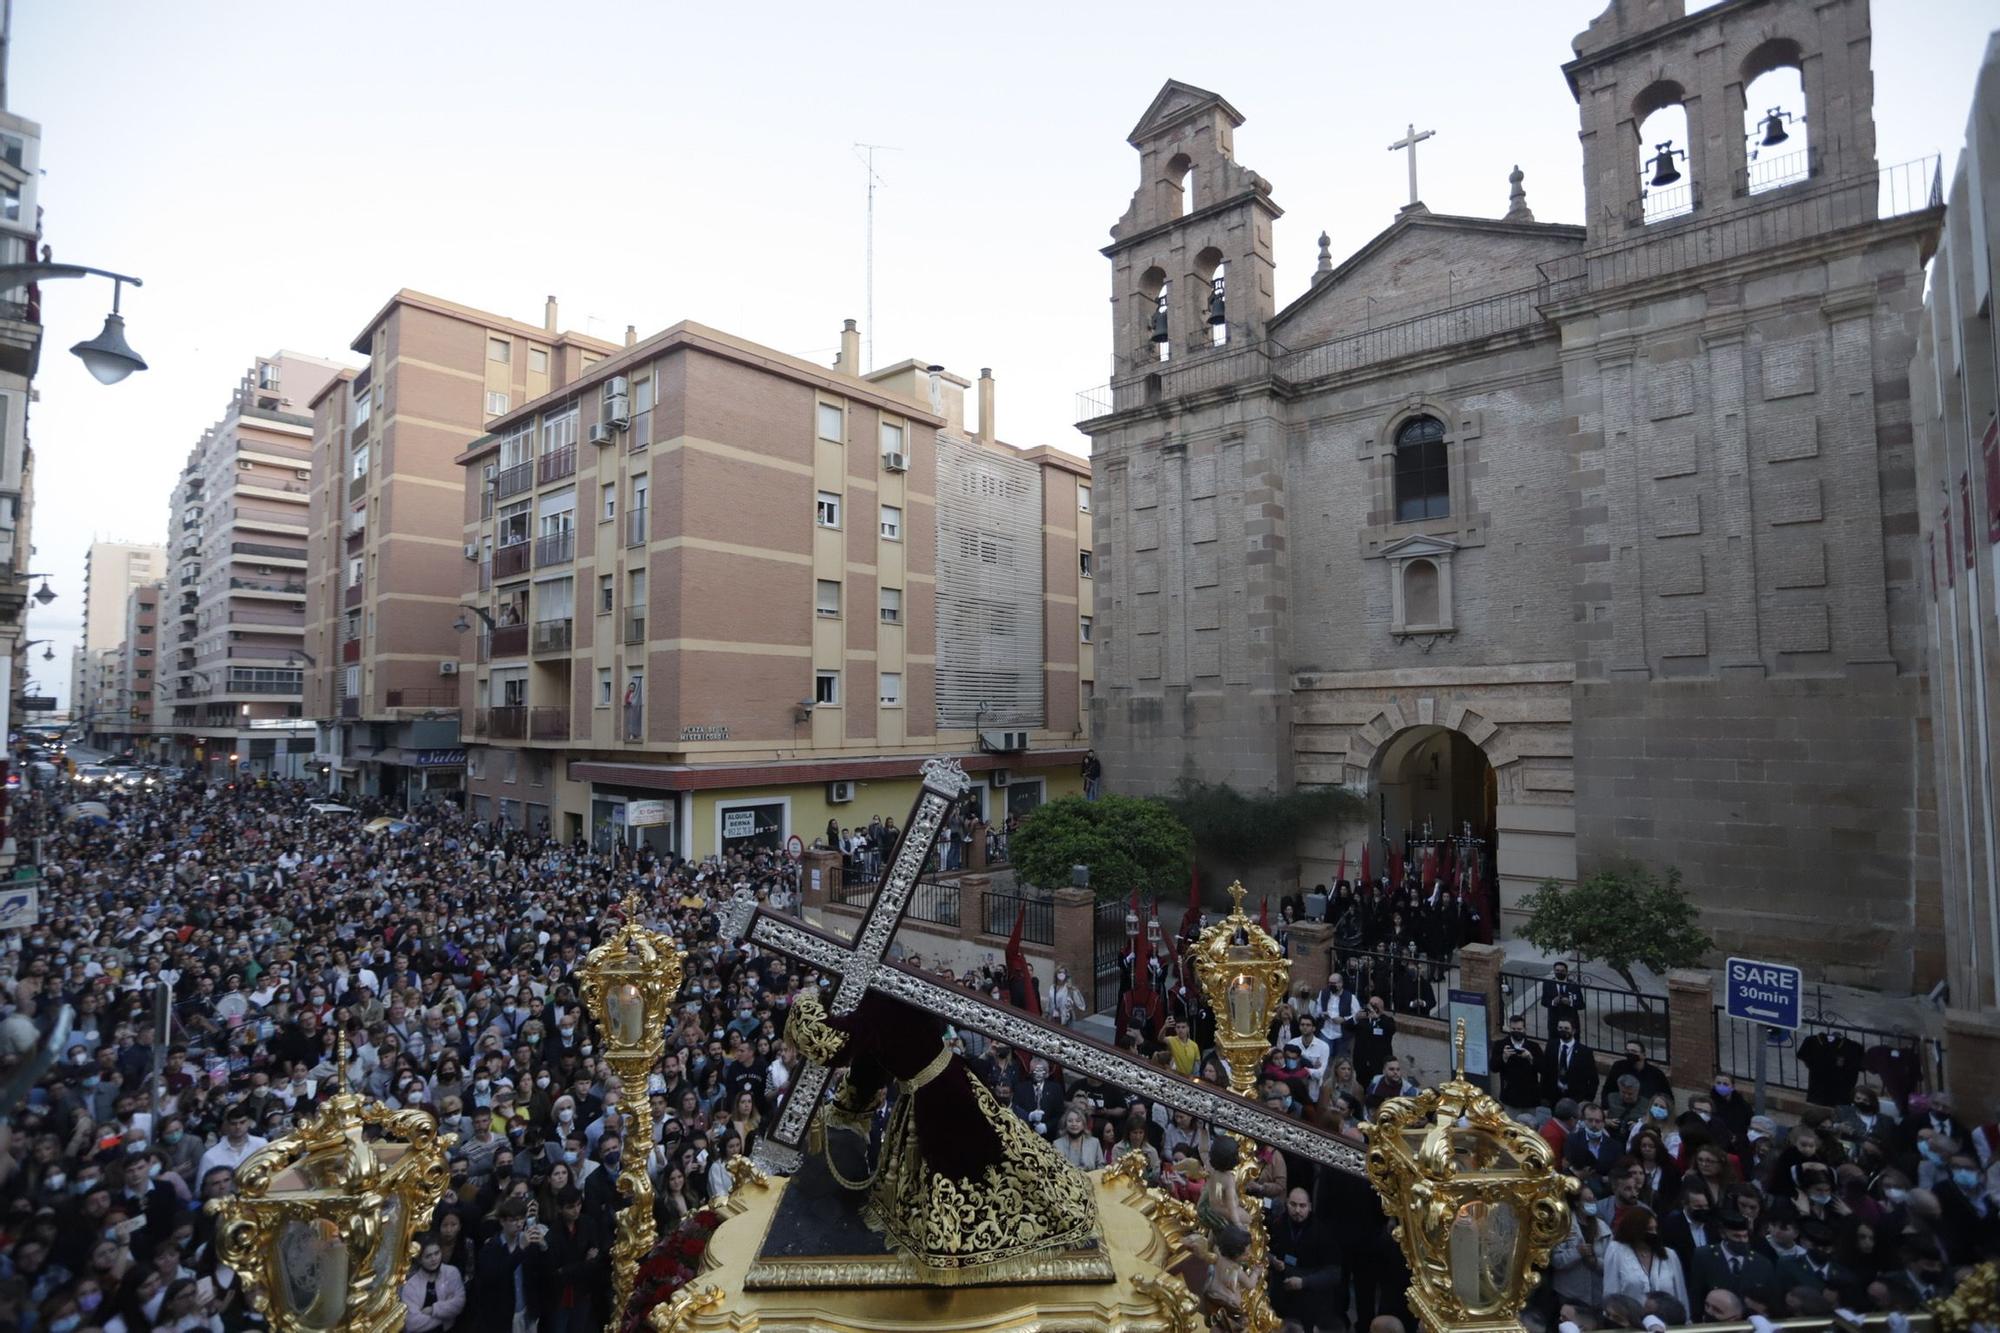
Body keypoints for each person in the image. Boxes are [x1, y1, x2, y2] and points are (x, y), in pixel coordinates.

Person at [1267, 1187, 1340, 1333]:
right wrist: (1272, 1260)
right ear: (1286, 1203)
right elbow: (1265, 1251)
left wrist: (1304, 1282)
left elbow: (1334, 1273)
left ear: (1310, 1207)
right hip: (1281, 1296)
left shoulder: (1322, 1232)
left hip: (1311, 1298)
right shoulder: (1278, 1224)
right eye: (1293, 1205)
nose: (1297, 1210)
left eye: (1302, 1206)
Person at [1599, 1207, 1688, 1311]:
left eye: (1655, 1229)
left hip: (1667, 1322)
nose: (1653, 1233)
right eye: (1649, 1229)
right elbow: (1611, 1292)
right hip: (1632, 1322)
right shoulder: (1616, 1251)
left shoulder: (1669, 1255)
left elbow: (1680, 1294)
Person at [401, 1238, 468, 1333]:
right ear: (420, 1260)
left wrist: (432, 1310)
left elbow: (459, 1304)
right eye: (428, 1256)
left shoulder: (452, 1272)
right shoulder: (411, 1285)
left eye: (437, 1253)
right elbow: (411, 1324)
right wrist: (447, 1316)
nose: (434, 1259)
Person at [1543, 1019, 1600, 1105]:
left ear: (1573, 1031)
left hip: (1575, 1098)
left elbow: (1593, 1079)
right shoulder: (1551, 1046)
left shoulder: (1584, 1052)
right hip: (1554, 1096)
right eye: (1560, 1028)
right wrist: (1544, 1096)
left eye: (1566, 1028)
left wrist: (1587, 1099)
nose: (1563, 1031)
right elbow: (1546, 1072)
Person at [1497, 1016, 1543, 1112]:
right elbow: (1494, 1067)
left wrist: (1530, 1058)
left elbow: (1543, 1069)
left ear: (1524, 1029)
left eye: (1519, 1029)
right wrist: (1504, 1057)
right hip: (1510, 1097)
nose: (1516, 1031)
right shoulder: (1501, 1045)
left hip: (1529, 1098)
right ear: (1509, 1028)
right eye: (1513, 1029)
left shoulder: (1534, 1047)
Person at [1012, 1058, 1067, 1139]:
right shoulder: (1020, 1088)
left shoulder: (1055, 1089)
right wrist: (1029, 1117)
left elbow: (1059, 1114)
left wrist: (1046, 1127)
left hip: (1048, 1137)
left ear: (1047, 1074)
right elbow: (1014, 1110)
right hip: (1024, 1135)